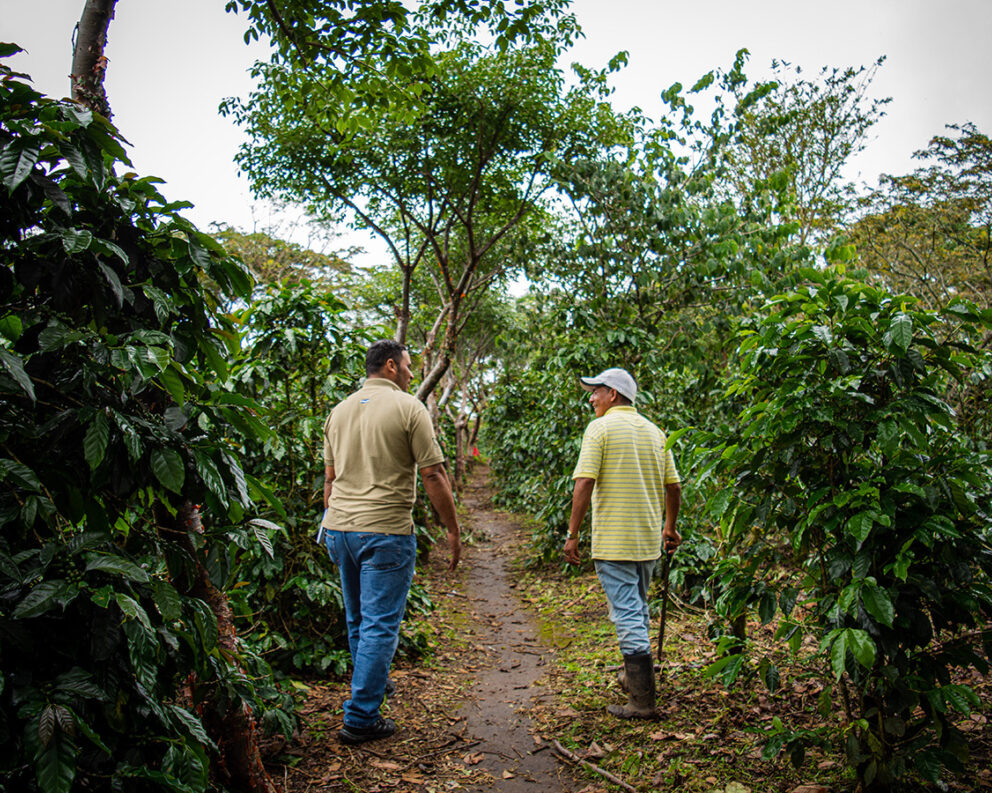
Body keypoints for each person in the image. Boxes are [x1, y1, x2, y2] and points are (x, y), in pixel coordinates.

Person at [318, 339, 462, 744]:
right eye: (410, 365)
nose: (414, 373)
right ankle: (362, 717)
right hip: (385, 531)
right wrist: (452, 529)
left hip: (341, 529)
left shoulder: (338, 411)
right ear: (391, 366)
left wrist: (336, 521)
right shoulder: (408, 407)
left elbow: (330, 481)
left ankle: (370, 684)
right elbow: (433, 475)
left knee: (358, 619)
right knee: (381, 624)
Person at [564, 367, 681, 720]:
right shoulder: (655, 431)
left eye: (595, 392)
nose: (591, 398)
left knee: (629, 614)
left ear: (613, 394)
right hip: (647, 541)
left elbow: (584, 482)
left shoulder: (599, 428)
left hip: (614, 541)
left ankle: (643, 703)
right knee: (637, 609)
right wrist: (670, 527)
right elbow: (673, 486)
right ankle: (634, 679)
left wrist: (572, 534)